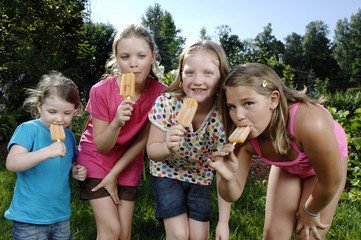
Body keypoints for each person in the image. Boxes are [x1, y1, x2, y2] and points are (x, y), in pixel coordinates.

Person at [208, 62, 348, 240]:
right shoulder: (246, 140)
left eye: (248, 103)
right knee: (274, 235)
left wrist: (310, 211)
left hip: (324, 172)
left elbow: (331, 182)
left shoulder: (310, 123)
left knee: (306, 235)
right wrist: (228, 178)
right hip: (289, 166)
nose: (239, 116)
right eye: (232, 106)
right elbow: (232, 194)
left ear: (273, 100)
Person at [77, 24, 167, 240]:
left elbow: (143, 140)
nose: (133, 64)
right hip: (96, 158)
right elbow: (101, 144)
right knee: (111, 231)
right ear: (116, 58)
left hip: (128, 161)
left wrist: (115, 173)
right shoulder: (100, 91)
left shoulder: (160, 93)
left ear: (153, 57)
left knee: (124, 235)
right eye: (125, 57)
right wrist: (117, 122)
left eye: (141, 56)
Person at [147, 40, 232, 240]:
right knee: (178, 235)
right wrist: (167, 146)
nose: (197, 80)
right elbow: (152, 150)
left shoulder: (223, 117)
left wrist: (223, 222)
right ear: (181, 74)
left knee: (199, 236)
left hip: (200, 174)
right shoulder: (167, 103)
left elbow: (223, 171)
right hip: (166, 171)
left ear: (221, 78)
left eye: (208, 73)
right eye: (190, 72)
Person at [4, 71, 87, 240]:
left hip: (60, 217)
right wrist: (45, 152)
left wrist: (74, 171)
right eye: (52, 111)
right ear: (39, 106)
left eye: (66, 113)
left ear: (75, 111)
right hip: (29, 219)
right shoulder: (29, 130)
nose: (59, 119)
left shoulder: (69, 137)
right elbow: (12, 163)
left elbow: (63, 166)